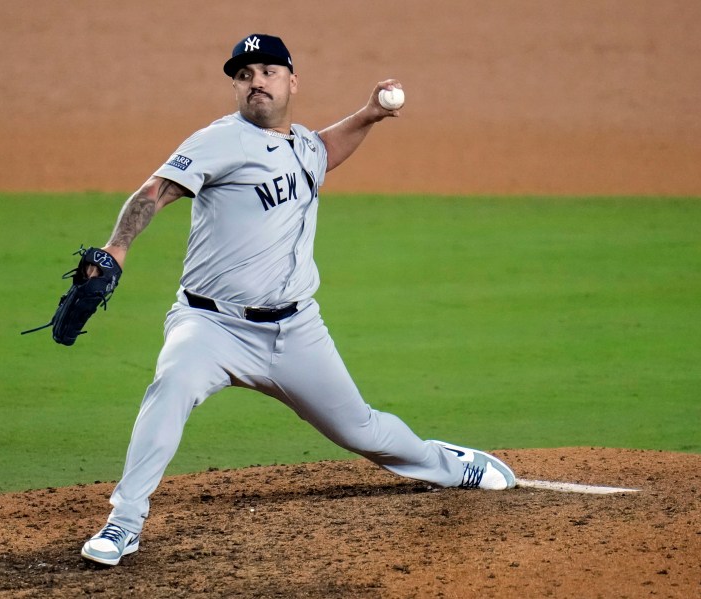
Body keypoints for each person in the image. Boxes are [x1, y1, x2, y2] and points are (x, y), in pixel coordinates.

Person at [80, 33, 516, 566]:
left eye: (267, 71)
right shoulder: (219, 140)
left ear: (291, 81)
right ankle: (123, 523)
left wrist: (371, 113)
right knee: (170, 387)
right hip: (210, 326)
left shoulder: (303, 145)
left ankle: (448, 464)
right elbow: (155, 192)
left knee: (362, 430)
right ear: (236, 88)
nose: (255, 81)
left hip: (295, 332)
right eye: (244, 75)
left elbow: (323, 151)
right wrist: (117, 246)